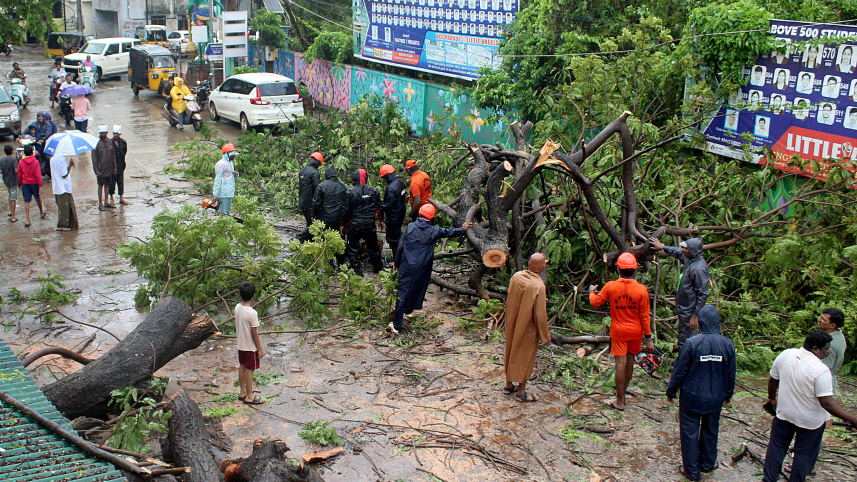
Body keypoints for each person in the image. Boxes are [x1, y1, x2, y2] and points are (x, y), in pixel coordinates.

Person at [762, 329, 857, 482]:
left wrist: (772, 399)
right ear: (815, 349)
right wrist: (854, 419)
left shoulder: (786, 355)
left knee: (777, 447)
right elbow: (827, 403)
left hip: (785, 414)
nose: (828, 352)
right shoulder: (820, 370)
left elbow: (773, 380)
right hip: (810, 422)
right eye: (826, 349)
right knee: (803, 454)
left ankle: (768, 479)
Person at [666, 305, 736, 481]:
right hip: (716, 397)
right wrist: (729, 394)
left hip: (692, 396)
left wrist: (671, 391)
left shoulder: (692, 343)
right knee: (711, 428)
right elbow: (731, 373)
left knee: (689, 431)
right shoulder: (727, 344)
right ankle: (707, 463)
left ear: (701, 322)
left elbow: (679, 371)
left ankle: (691, 470)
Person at [391, 204, 473, 334]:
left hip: (407, 265)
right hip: (423, 267)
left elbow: (400, 245)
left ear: (419, 214)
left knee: (402, 291)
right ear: (431, 217)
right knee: (417, 287)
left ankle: (396, 325)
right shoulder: (434, 231)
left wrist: (396, 263)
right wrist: (463, 228)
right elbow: (450, 232)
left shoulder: (410, 227)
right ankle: (409, 311)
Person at [588, 252, 653, 410]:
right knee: (630, 363)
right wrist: (649, 338)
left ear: (618, 269)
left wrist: (591, 291)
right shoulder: (642, 290)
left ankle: (619, 400)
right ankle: (622, 395)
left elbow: (595, 302)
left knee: (620, 364)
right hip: (636, 332)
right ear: (635, 270)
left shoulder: (611, 286)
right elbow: (645, 316)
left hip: (618, 332)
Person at [504, 253, 551, 403]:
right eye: (544, 263)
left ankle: (508, 385)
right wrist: (545, 336)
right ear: (541, 266)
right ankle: (521, 392)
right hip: (528, 327)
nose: (545, 265)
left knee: (511, 350)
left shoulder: (517, 277)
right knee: (526, 356)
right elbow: (540, 315)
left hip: (513, 322)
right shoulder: (538, 286)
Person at [649, 237, 709, 348]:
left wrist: (695, 316)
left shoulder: (698, 269)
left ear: (693, 251)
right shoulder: (690, 259)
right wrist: (662, 247)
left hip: (690, 311)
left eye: (686, 248)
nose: (683, 250)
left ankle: (685, 358)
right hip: (684, 309)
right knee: (684, 339)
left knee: (686, 342)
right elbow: (677, 251)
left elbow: (703, 294)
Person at [344, 168, 384, 276]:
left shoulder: (350, 192)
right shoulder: (373, 190)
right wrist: (381, 220)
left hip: (355, 225)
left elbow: (346, 211)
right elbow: (379, 208)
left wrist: (344, 224)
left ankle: (358, 273)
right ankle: (379, 270)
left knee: (353, 249)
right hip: (369, 225)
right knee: (374, 248)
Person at [236, 281, 265, 405]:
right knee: (249, 370)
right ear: (253, 295)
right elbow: (254, 333)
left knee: (242, 366)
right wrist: (259, 349)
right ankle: (249, 395)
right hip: (250, 347)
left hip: (240, 345)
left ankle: (242, 392)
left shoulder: (237, 307)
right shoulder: (252, 313)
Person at [312, 165, 348, 266]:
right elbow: (346, 206)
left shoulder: (321, 186)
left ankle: (329, 265)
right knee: (340, 242)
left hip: (325, 219)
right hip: (339, 220)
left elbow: (316, 203)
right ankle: (341, 264)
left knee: (326, 242)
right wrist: (343, 223)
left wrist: (314, 216)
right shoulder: (343, 187)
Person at [380, 164, 407, 257]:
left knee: (393, 239)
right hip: (400, 212)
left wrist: (380, 206)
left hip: (393, 216)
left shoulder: (390, 188)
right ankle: (399, 256)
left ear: (387, 176)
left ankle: (397, 258)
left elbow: (389, 205)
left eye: (384, 178)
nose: (384, 180)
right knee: (398, 235)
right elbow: (399, 197)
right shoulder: (400, 182)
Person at [817, 308, 846, 391]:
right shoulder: (838, 334)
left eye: (823, 319)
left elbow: (824, 369)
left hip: (823, 385)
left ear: (832, 325)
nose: (819, 320)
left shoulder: (830, 344)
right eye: (820, 317)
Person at [297, 152, 323, 241]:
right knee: (312, 225)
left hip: (302, 202)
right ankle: (297, 239)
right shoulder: (314, 173)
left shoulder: (302, 171)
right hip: (310, 203)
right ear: (317, 162)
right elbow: (318, 189)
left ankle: (309, 243)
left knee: (309, 224)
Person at [18, 145, 46, 227]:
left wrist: (20, 184)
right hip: (34, 183)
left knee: (27, 201)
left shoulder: (21, 162)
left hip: (25, 183)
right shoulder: (35, 162)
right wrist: (40, 185)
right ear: (32, 151)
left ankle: (27, 220)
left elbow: (19, 174)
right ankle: (41, 212)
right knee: (38, 198)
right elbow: (38, 174)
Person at [50, 153, 78, 231]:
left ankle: (65, 224)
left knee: (62, 206)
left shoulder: (52, 159)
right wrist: (70, 165)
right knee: (65, 207)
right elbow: (64, 174)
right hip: (63, 188)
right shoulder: (60, 159)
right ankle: (63, 225)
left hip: (57, 187)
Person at [91, 125, 116, 211]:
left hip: (109, 168)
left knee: (107, 185)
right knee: (100, 186)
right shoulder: (96, 143)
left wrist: (114, 167)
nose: (103, 134)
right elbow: (94, 158)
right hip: (101, 169)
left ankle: (106, 202)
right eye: (101, 133)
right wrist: (96, 170)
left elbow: (113, 155)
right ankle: (100, 203)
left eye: (104, 133)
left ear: (107, 133)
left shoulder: (109, 142)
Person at [213, 143, 239, 215]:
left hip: (229, 192)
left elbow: (230, 176)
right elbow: (217, 179)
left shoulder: (230, 163)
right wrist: (215, 194)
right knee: (223, 212)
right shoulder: (220, 164)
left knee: (227, 212)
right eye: (233, 154)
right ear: (227, 154)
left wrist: (236, 175)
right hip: (223, 192)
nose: (234, 156)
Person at [109, 125, 129, 205]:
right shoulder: (110, 142)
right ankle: (111, 198)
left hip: (120, 164)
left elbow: (124, 152)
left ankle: (121, 197)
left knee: (120, 181)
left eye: (116, 134)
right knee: (111, 182)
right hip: (112, 166)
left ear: (120, 134)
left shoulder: (123, 142)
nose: (115, 135)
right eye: (114, 133)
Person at [0, 145, 18, 223]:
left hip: (6, 180)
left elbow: (0, 171)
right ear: (11, 151)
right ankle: (13, 217)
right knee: (13, 198)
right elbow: (16, 170)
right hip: (13, 180)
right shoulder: (13, 159)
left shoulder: (2, 160)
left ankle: (10, 211)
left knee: (10, 194)